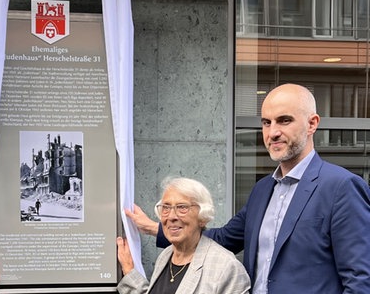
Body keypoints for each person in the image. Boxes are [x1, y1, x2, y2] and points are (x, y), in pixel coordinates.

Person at [126, 83, 370, 293]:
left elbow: (360, 280)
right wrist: (155, 227)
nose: (273, 132)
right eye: (266, 122)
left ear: (312, 123)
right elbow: (222, 239)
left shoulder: (342, 187)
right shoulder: (263, 190)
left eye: (284, 120)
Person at [117, 176, 250, 294]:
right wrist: (129, 272)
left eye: (182, 207)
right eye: (166, 207)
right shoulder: (166, 256)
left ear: (202, 217)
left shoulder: (226, 267)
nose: (171, 216)